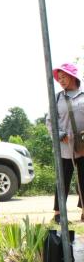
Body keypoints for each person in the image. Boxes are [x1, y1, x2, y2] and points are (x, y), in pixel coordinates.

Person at [46, 63, 84, 223]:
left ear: (73, 76)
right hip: (64, 146)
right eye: (59, 78)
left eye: (64, 77)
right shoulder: (57, 97)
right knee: (63, 180)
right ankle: (58, 213)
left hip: (82, 146)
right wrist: (60, 134)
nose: (60, 80)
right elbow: (49, 121)